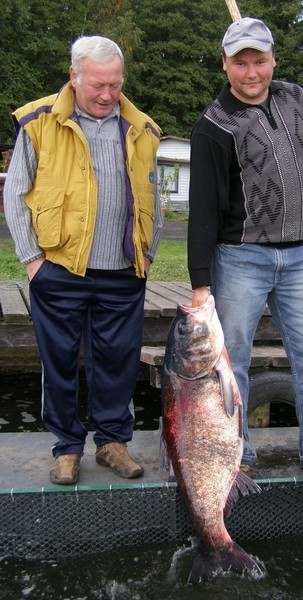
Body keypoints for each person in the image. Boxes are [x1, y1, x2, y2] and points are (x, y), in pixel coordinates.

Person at [4, 35, 162, 485]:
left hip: (122, 271)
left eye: (115, 84)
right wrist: (33, 260)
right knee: (58, 362)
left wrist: (146, 256)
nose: (108, 94)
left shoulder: (142, 129)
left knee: (118, 362)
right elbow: (15, 195)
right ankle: (67, 448)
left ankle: (113, 443)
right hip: (57, 268)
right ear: (74, 77)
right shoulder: (37, 122)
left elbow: (155, 198)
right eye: (97, 85)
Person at [187, 17, 303, 471]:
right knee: (229, 367)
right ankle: (235, 459)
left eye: (260, 60)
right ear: (224, 65)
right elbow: (203, 213)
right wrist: (201, 286)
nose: (251, 72)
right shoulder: (212, 126)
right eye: (240, 63)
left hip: (301, 257)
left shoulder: (300, 100)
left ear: (274, 59)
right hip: (239, 259)